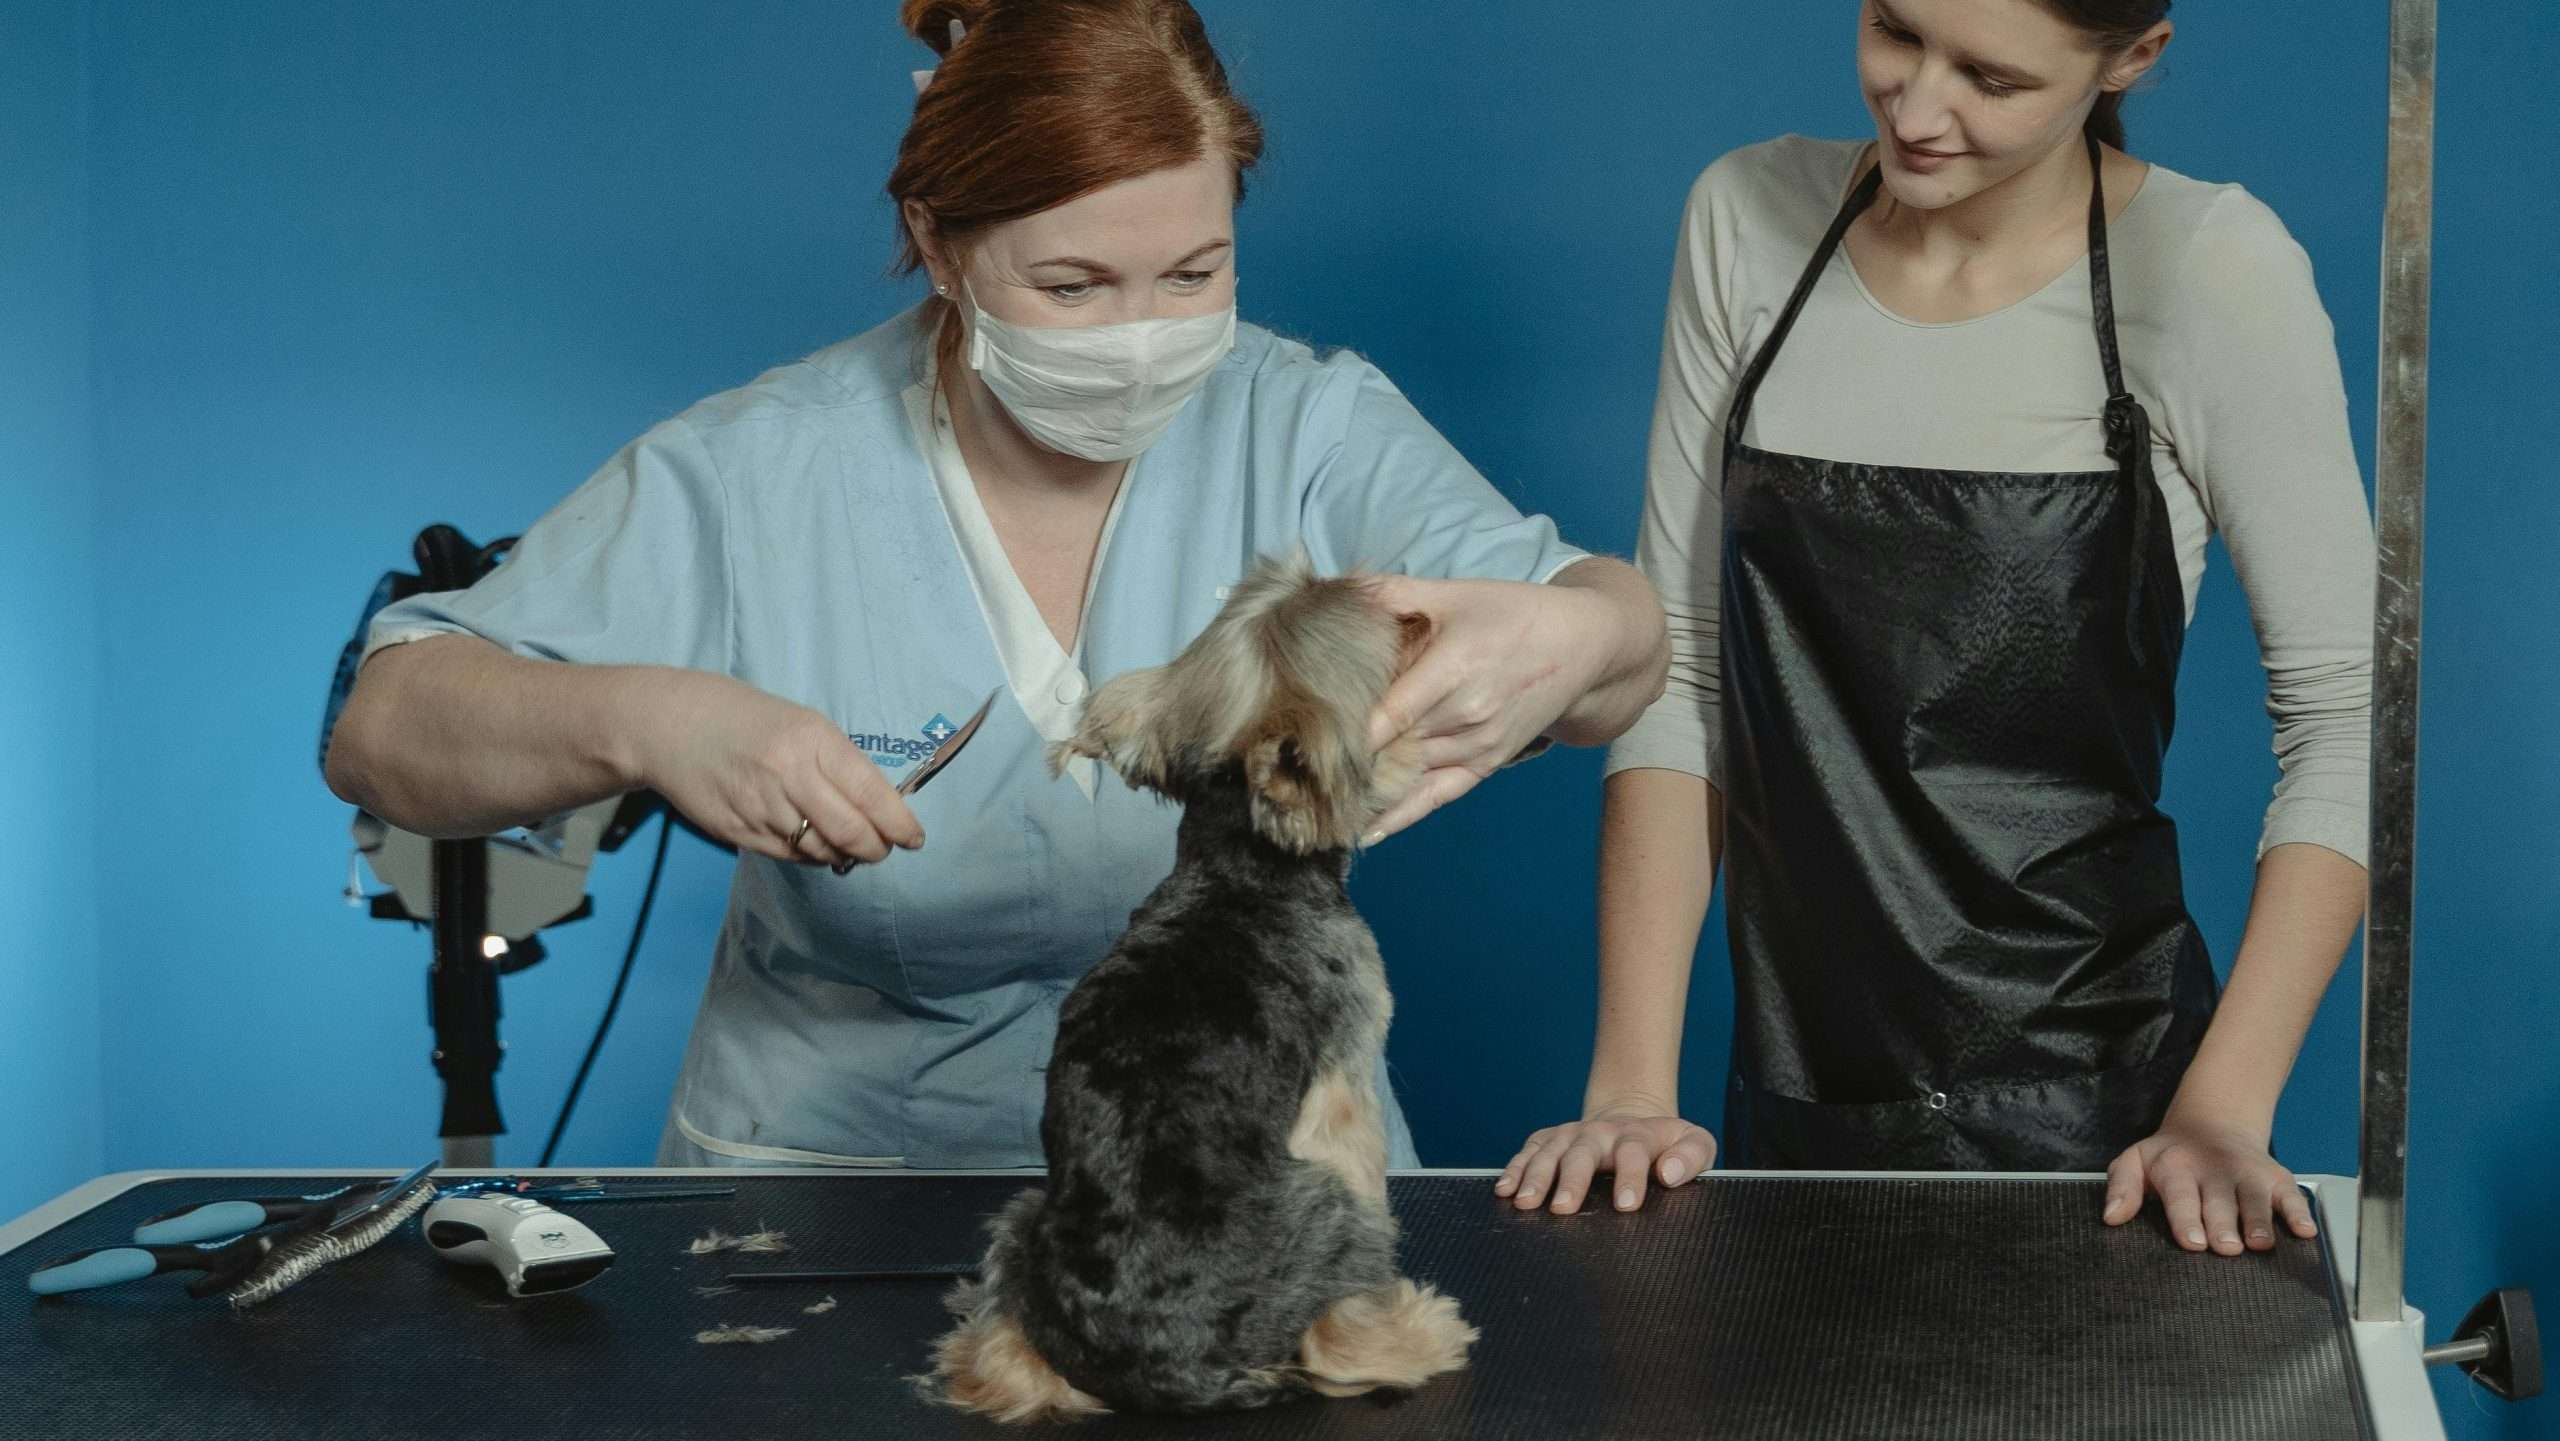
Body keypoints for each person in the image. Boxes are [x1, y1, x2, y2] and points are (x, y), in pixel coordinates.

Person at [325, 0, 1668, 1173]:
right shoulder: (761, 470)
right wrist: (654, 719)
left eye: (1194, 274)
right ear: (942, 240)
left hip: (1241, 1161)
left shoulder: (1305, 427)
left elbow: (1623, 661)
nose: (1143, 338)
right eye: (1075, 285)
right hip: (847, 1184)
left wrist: (1589, 624)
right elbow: (386, 730)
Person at [1502, 0, 2375, 1259]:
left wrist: (2223, 1113)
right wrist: (1633, 1091)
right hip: (1799, 1090)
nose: (1915, 108)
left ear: (2131, 58)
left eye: (1990, 76)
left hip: (2118, 1127)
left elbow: (2351, 725)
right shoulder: (1746, 217)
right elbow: (1680, 667)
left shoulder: (2210, 267)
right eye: (1895, 31)